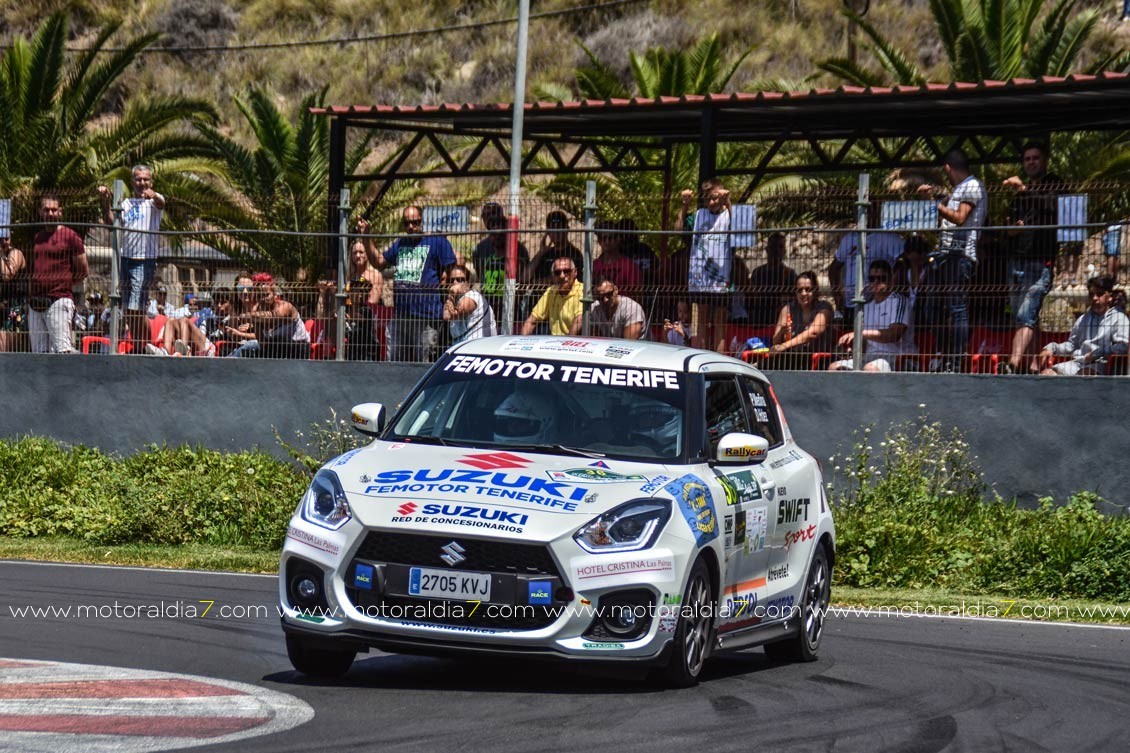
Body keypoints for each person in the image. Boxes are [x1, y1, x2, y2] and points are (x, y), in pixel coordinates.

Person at [917, 148, 986, 372]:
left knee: (957, 308)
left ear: (948, 168)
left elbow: (959, 218)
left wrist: (934, 203)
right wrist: (932, 204)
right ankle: (946, 353)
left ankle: (955, 361)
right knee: (931, 308)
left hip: (961, 254)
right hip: (945, 254)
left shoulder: (972, 186)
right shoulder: (957, 189)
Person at [358, 207, 455, 362]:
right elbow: (379, 262)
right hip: (401, 316)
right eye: (407, 223)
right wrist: (366, 236)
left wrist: (449, 300)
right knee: (395, 364)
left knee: (423, 366)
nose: (411, 227)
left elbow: (453, 272)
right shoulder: (400, 243)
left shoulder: (437, 241)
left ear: (421, 221)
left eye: (415, 222)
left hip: (426, 317)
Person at [1000, 142, 1063, 374]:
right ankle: (1035, 366)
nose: (1031, 162)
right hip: (1017, 260)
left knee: (1024, 314)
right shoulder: (1018, 196)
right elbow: (1008, 223)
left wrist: (1025, 190)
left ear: (1044, 160)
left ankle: (1013, 363)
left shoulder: (1053, 183)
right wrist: (1011, 230)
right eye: (1027, 159)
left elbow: (1052, 206)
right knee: (1026, 316)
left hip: (1040, 260)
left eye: (1035, 158)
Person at [98, 165, 164, 354]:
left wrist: (154, 195)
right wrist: (106, 202)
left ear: (151, 182)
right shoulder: (126, 204)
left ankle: (147, 345)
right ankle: (140, 347)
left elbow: (161, 203)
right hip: (125, 259)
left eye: (145, 179)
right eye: (138, 179)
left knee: (137, 308)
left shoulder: (154, 203)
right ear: (132, 182)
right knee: (130, 310)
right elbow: (113, 224)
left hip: (144, 260)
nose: (142, 183)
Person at [829, 260, 915, 372]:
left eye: (881, 278)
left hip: (896, 357)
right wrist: (852, 348)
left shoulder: (899, 301)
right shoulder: (866, 306)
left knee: (870, 369)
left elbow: (894, 335)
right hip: (869, 357)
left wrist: (860, 333)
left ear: (891, 279)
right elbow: (865, 343)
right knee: (834, 367)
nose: (876, 282)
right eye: (872, 278)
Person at [828, 202, 905, 327]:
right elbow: (834, 268)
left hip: (878, 303)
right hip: (851, 304)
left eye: (868, 210)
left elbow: (903, 263)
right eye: (858, 210)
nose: (864, 214)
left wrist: (890, 288)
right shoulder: (849, 239)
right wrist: (838, 299)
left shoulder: (889, 237)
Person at [677, 177, 732, 352]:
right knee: (699, 322)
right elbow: (677, 230)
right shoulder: (699, 215)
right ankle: (700, 357)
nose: (711, 202)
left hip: (721, 278)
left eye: (715, 198)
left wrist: (729, 203)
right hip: (699, 278)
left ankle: (719, 360)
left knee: (719, 324)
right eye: (707, 198)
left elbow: (743, 231)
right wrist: (685, 205)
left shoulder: (729, 214)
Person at [29, 196, 88, 354]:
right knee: (38, 353)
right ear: (40, 212)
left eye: (54, 210)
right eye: (46, 210)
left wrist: (64, 282)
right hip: (36, 303)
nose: (50, 213)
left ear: (60, 212)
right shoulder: (38, 237)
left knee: (62, 351)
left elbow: (83, 269)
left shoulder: (70, 236)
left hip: (59, 300)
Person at [1037, 275, 1128, 376]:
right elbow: (1071, 345)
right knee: (1046, 375)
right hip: (1078, 363)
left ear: (1110, 296)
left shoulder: (1119, 318)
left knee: (1083, 376)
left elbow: (1122, 346)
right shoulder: (1083, 319)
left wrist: (1097, 354)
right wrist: (1051, 348)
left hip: (1102, 364)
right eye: (1091, 294)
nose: (1094, 298)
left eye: (1099, 294)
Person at [228, 272, 310, 359]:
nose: (263, 299)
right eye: (260, 295)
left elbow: (274, 316)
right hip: (276, 352)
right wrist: (255, 319)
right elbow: (263, 344)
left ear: (274, 293)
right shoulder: (258, 314)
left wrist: (250, 315)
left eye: (266, 295)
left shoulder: (284, 306)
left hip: (298, 350)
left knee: (251, 345)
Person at [472, 201, 529, 322]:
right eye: (486, 215)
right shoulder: (480, 248)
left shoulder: (518, 249)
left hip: (511, 310)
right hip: (488, 309)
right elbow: (480, 274)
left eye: (493, 214)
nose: (489, 217)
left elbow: (523, 280)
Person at [766, 271, 835, 369]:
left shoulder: (824, 308)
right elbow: (775, 341)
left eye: (808, 289)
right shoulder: (788, 309)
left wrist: (784, 345)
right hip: (792, 357)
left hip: (818, 358)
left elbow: (813, 332)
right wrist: (782, 332)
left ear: (815, 290)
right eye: (800, 290)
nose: (803, 293)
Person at [521, 257, 583, 336]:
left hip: (576, 344)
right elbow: (531, 321)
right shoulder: (551, 291)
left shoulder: (581, 290)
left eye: (566, 271)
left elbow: (579, 321)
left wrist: (566, 344)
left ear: (575, 272)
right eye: (557, 272)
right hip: (554, 343)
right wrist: (521, 342)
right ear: (552, 276)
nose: (562, 276)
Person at [747, 232, 798, 327]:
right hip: (759, 319)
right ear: (767, 250)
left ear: (784, 251)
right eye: (773, 247)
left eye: (780, 247)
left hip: (781, 319)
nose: (776, 251)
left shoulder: (790, 274)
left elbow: (794, 298)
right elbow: (751, 297)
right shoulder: (758, 273)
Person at [526, 210, 582, 289]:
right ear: (548, 232)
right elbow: (525, 279)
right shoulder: (545, 254)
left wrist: (546, 281)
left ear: (567, 229)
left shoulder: (574, 254)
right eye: (552, 228)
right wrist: (540, 253)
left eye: (559, 227)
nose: (556, 232)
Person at [443, 264, 495, 343]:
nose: (455, 283)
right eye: (451, 280)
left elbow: (458, 311)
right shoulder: (453, 299)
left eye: (460, 279)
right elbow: (446, 316)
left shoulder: (473, 295)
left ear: (467, 283)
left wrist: (452, 293)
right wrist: (451, 295)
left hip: (480, 347)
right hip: (462, 347)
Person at [589, 275, 646, 340]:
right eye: (600, 297)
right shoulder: (594, 308)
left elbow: (629, 343)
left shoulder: (631, 308)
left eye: (608, 294)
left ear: (616, 290)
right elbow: (594, 338)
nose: (605, 300)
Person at [592, 221, 641, 294]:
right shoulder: (594, 265)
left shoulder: (631, 267)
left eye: (611, 238)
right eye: (604, 238)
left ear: (618, 239)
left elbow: (636, 295)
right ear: (599, 241)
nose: (607, 242)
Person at [0, 236, 28, 352]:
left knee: (3, 350)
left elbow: (7, 275)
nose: (3, 242)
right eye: (0, 239)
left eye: (6, 238)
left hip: (13, 309)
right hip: (2, 306)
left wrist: (1, 255)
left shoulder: (15, 253)